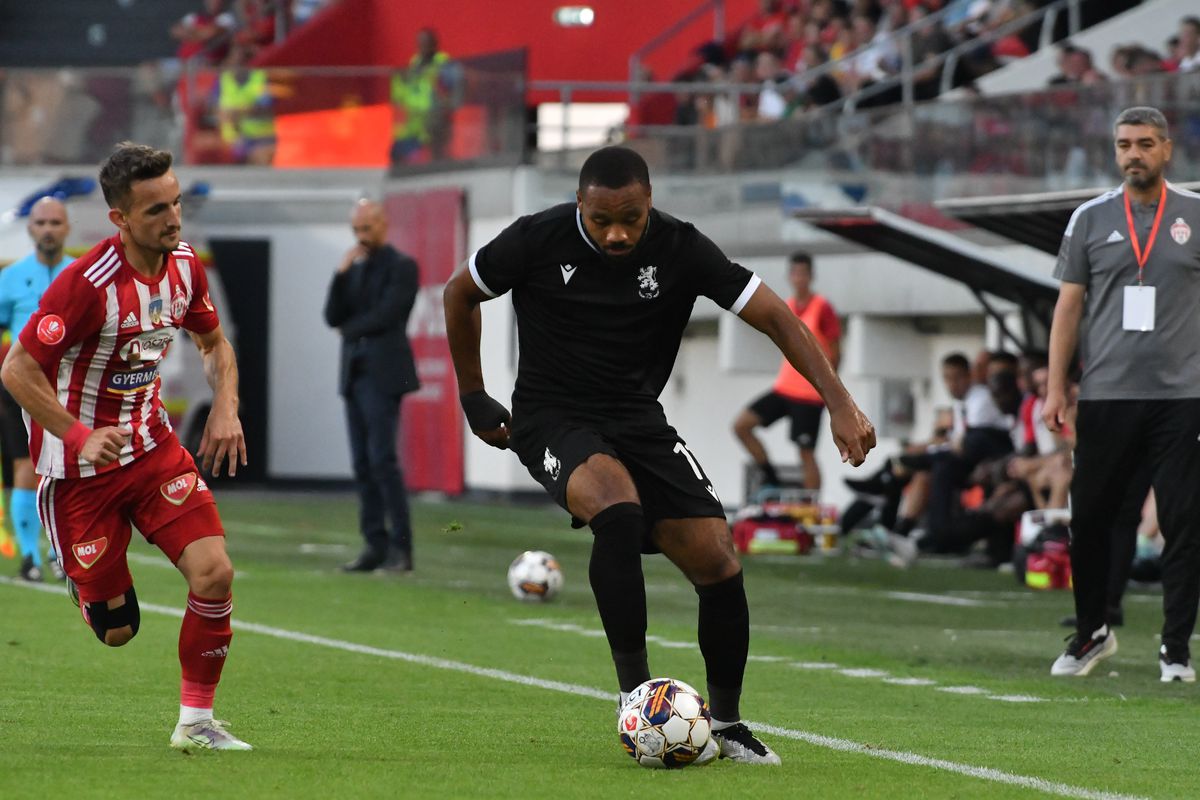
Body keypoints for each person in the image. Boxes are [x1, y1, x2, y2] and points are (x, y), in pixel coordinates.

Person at [443, 146, 875, 764]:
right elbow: (459, 293)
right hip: (551, 416)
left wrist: (839, 401)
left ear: (649, 202)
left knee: (718, 560)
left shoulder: (681, 247)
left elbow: (776, 316)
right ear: (579, 204)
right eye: (601, 220)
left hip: (638, 418)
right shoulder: (534, 239)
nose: (617, 234)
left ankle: (728, 725)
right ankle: (637, 700)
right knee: (617, 510)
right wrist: (472, 395)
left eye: (631, 219)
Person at [0, 142, 252, 750]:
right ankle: (87, 586)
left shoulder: (186, 265)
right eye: (156, 210)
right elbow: (17, 369)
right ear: (119, 218)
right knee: (119, 630)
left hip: (152, 448)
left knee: (214, 573)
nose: (173, 219)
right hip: (79, 471)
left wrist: (225, 406)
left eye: (176, 203)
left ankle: (196, 723)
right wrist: (80, 434)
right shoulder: (86, 285)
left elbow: (214, 344)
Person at [1045, 106, 1200, 682]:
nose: (1134, 154)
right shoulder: (1089, 218)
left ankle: (1176, 650)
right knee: (1088, 518)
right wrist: (1055, 386)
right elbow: (1068, 307)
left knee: (1184, 522)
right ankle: (1092, 633)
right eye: (1124, 144)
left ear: (1166, 149)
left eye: (1145, 144)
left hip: (1183, 396)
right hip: (1106, 394)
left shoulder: (1195, 215)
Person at [323, 200, 419, 573]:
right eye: (356, 230)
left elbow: (389, 315)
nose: (361, 236)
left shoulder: (402, 267)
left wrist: (349, 329)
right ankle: (374, 545)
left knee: (383, 461)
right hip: (354, 375)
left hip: (383, 375)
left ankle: (401, 548)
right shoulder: (355, 269)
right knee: (363, 464)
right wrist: (340, 274)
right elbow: (332, 315)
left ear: (382, 224)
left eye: (366, 228)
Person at [0, 197, 73, 582]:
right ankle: (30, 557)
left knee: (66, 469)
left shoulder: (80, 275)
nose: (48, 229)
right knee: (25, 466)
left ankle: (60, 553)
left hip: (69, 385)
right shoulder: (10, 278)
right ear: (30, 229)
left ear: (67, 229)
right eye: (41, 222)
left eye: (55, 223)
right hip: (20, 386)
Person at [733, 252, 841, 492]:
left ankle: (812, 504)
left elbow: (835, 351)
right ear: (789, 277)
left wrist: (829, 390)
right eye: (795, 273)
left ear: (811, 277)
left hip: (809, 393)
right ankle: (771, 478)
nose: (799, 278)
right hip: (785, 388)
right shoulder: (788, 306)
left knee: (805, 452)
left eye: (803, 274)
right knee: (742, 425)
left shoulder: (822, 307)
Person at [391, 28, 460, 165]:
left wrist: (444, 108)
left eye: (427, 43)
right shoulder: (415, 63)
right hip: (416, 122)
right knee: (399, 152)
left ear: (434, 44)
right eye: (420, 43)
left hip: (436, 120)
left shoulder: (444, 64)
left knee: (436, 157)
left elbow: (451, 94)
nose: (423, 47)